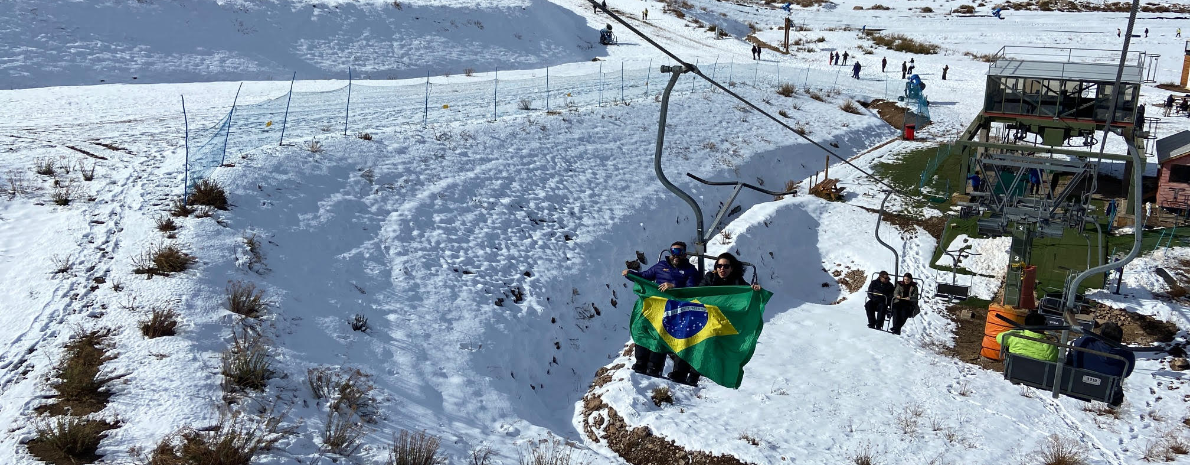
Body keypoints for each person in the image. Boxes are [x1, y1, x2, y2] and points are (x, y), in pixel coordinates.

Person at [668, 253, 762, 386]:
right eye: (719, 266)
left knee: (706, 345)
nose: (722, 269)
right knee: (686, 339)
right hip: (703, 316)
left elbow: (747, 294)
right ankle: (679, 372)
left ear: (732, 268)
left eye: (726, 266)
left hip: (720, 322)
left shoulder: (738, 282)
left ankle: (694, 375)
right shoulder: (710, 278)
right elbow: (698, 293)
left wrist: (755, 290)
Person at [622, 241, 700, 377]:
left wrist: (673, 286)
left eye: (679, 252)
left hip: (674, 310)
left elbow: (691, 290)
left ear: (685, 254)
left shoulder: (690, 270)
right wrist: (630, 274)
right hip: (656, 307)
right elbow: (645, 276)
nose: (676, 255)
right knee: (643, 330)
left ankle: (654, 367)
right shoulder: (661, 266)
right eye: (673, 251)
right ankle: (640, 362)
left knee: (660, 336)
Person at [1067, 322, 1134, 406]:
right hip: (1106, 393)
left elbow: (1076, 344)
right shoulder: (1126, 357)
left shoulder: (1085, 343)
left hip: (1077, 386)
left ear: (1101, 335)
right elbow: (1126, 374)